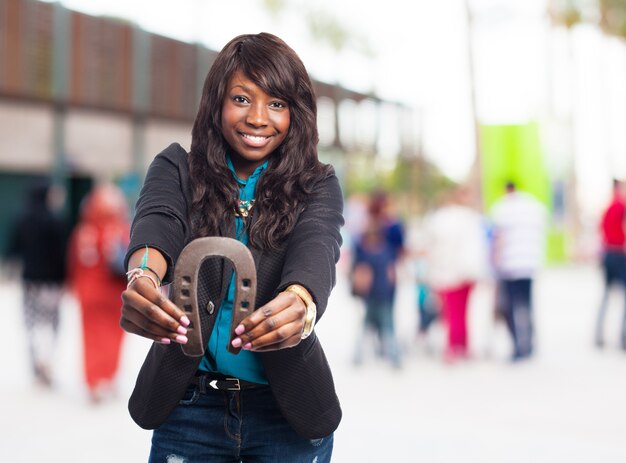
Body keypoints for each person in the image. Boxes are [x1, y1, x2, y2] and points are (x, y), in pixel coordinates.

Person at [119, 33, 343, 462]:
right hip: (190, 409)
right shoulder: (177, 167)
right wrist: (142, 276)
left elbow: (319, 245)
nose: (259, 118)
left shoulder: (318, 183)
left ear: (296, 113)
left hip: (286, 414)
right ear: (216, 102)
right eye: (242, 99)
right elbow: (158, 222)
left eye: (276, 104)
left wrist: (302, 301)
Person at [68, 184, 130, 402]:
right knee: (114, 336)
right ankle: (109, 377)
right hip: (114, 294)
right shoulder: (120, 230)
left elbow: (74, 264)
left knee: (90, 337)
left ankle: (93, 380)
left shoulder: (83, 231)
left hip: (89, 292)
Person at [7, 178, 68, 387]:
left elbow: (13, 249)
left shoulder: (22, 219)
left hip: (30, 282)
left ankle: (37, 365)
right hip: (52, 284)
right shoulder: (55, 221)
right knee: (51, 324)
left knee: (32, 324)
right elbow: (62, 255)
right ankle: (46, 363)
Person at [423, 186, 489, 362]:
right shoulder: (473, 218)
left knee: (452, 313)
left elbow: (432, 246)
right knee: (463, 312)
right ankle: (463, 345)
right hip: (468, 272)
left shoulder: (440, 219)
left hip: (448, 273)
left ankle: (453, 347)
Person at [490, 181, 547, 361]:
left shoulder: (502, 208)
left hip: (510, 266)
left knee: (511, 307)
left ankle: (516, 346)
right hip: (529, 264)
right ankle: (529, 343)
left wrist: (495, 262)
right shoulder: (534, 207)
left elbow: (499, 237)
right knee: (527, 305)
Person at [351, 220, 402, 369]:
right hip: (385, 295)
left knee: (365, 326)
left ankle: (357, 355)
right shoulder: (387, 251)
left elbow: (362, 276)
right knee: (388, 327)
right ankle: (395, 357)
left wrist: (359, 292)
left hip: (371, 296)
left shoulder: (365, 254)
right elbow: (392, 275)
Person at [594, 179, 626, 349]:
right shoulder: (622, 206)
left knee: (605, 295)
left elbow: (600, 232)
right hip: (620, 253)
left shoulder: (606, 208)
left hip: (607, 253)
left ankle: (598, 334)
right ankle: (624, 337)